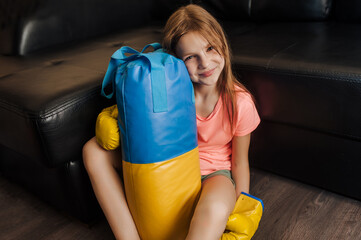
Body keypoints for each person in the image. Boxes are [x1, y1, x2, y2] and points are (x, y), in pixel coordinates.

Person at [82, 4, 260, 240]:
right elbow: (138, 114)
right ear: (175, 61)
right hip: (169, 170)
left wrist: (242, 210)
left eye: (210, 48)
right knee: (93, 150)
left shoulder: (240, 102)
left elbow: (239, 163)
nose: (205, 63)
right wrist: (111, 117)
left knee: (216, 206)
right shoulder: (169, 93)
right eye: (191, 57)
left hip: (214, 175)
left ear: (223, 45)